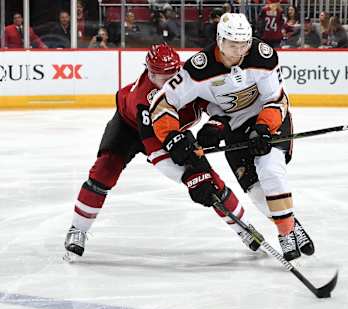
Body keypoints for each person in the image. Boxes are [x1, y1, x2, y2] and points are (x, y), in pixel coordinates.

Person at [64, 44, 260, 259]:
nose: (165, 84)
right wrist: (189, 179)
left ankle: (244, 228)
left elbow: (214, 103)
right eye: (158, 77)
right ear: (148, 72)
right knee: (104, 171)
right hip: (129, 128)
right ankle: (77, 229)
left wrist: (217, 124)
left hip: (172, 129)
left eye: (170, 76)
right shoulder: (144, 98)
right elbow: (158, 155)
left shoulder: (191, 78)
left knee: (209, 179)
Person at [149, 13, 315, 261]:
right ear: (219, 40)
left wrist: (263, 127)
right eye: (232, 45)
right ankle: (290, 223)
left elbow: (276, 99)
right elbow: (163, 103)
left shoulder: (262, 55)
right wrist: (172, 136)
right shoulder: (198, 67)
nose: (238, 51)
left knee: (271, 169)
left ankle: (285, 232)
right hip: (233, 127)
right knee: (256, 189)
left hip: (266, 118)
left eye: (243, 44)